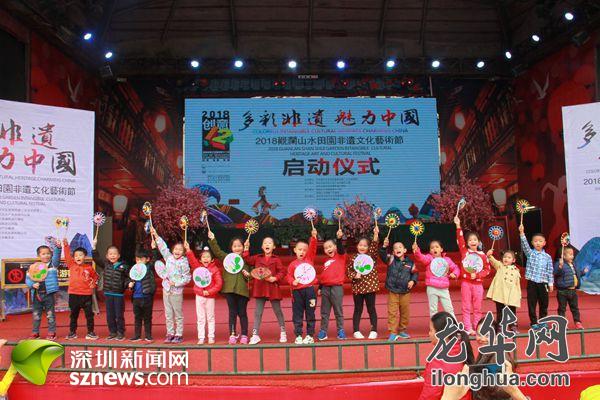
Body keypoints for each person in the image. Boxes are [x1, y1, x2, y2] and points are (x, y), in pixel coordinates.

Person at [208, 230, 251, 344]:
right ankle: (232, 334)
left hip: (242, 291)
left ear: (243, 247)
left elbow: (251, 275)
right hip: (229, 290)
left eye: (239, 246)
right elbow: (217, 251)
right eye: (235, 246)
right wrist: (212, 239)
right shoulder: (227, 257)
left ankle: (244, 334)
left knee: (242, 313)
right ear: (231, 248)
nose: (237, 248)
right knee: (232, 313)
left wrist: (248, 275)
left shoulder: (247, 259)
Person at [418, 311, 473, 400]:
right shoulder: (462, 347)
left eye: (431, 330)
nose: (429, 334)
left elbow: (431, 395)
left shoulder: (437, 362)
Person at [150, 227, 191, 344]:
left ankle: (179, 334)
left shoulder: (184, 262)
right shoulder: (168, 258)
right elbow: (163, 247)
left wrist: (176, 283)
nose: (177, 251)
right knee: (168, 313)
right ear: (172, 250)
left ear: (183, 252)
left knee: (177, 314)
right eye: (176, 249)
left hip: (176, 291)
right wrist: (156, 235)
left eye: (180, 250)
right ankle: (170, 333)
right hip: (166, 289)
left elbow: (187, 278)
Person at [245, 237, 287, 344]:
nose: (267, 244)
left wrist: (275, 278)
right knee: (258, 312)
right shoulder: (257, 258)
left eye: (270, 243)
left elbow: (282, 271)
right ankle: (255, 335)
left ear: (274, 247)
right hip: (260, 287)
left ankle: (283, 331)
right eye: (265, 243)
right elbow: (247, 259)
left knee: (278, 311)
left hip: (272, 287)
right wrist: (246, 248)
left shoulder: (276, 259)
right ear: (262, 246)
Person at [454, 217, 490, 335]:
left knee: (477, 307)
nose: (472, 241)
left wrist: (478, 275)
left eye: (475, 239)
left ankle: (477, 326)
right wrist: (458, 225)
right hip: (466, 283)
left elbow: (487, 270)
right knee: (466, 306)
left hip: (478, 284)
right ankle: (468, 327)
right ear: (467, 242)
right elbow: (460, 239)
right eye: (470, 240)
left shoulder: (483, 255)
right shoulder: (465, 252)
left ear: (479, 242)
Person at [346, 225, 380, 339]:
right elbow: (348, 271)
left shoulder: (371, 256)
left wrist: (375, 235)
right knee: (358, 309)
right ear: (357, 246)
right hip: (358, 287)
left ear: (368, 247)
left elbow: (374, 246)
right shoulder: (353, 258)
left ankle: (374, 330)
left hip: (370, 287)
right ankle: (356, 330)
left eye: (365, 245)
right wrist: (354, 275)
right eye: (360, 245)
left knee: (371, 308)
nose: (362, 247)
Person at [380, 238, 418, 340]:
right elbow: (382, 255)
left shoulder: (410, 262)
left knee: (405, 312)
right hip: (393, 290)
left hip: (405, 291)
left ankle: (402, 330)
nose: (398, 249)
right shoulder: (391, 259)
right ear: (393, 252)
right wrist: (384, 247)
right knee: (392, 312)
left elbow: (415, 273)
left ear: (405, 250)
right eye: (395, 248)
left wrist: (412, 281)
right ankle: (393, 332)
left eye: (400, 247)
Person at [186, 243, 223, 344]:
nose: (206, 258)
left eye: (208, 257)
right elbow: (192, 260)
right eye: (203, 257)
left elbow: (219, 284)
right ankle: (201, 337)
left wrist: (209, 292)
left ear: (212, 259)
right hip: (199, 295)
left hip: (210, 297)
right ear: (200, 259)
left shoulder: (215, 270)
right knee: (200, 318)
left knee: (210, 317)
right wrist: (188, 250)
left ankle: (211, 336)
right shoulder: (198, 267)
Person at [286, 229, 318, 344]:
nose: (302, 252)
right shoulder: (292, 265)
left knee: (310, 313)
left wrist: (313, 237)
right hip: (297, 292)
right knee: (297, 313)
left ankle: (310, 335)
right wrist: (292, 281)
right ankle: (298, 335)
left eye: (304, 250)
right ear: (295, 250)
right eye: (300, 249)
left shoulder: (309, 259)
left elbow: (313, 248)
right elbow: (288, 276)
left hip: (310, 291)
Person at [519, 224, 553, 329]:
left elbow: (550, 270)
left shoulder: (547, 257)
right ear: (532, 243)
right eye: (535, 241)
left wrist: (550, 283)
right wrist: (522, 233)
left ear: (544, 243)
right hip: (532, 282)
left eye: (540, 241)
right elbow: (524, 245)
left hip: (543, 283)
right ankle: (533, 322)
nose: (538, 243)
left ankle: (543, 321)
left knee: (544, 303)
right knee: (532, 303)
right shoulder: (530, 253)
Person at [93, 240, 129, 340]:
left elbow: (128, 278)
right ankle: (112, 332)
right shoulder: (106, 265)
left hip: (119, 295)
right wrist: (94, 247)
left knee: (119, 315)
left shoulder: (124, 267)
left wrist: (128, 284)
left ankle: (121, 332)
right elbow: (96, 259)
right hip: (108, 294)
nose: (112, 256)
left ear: (118, 255)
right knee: (110, 315)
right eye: (110, 254)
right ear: (107, 256)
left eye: (114, 254)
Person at [413, 240, 459, 317]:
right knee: (433, 310)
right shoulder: (429, 258)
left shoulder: (447, 260)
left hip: (444, 288)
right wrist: (417, 250)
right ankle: (433, 325)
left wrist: (454, 274)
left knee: (449, 309)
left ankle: (453, 323)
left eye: (437, 247)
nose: (434, 249)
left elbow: (455, 268)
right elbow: (421, 258)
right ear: (430, 251)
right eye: (432, 248)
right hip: (432, 287)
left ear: (441, 249)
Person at [64, 238, 98, 340]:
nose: (78, 257)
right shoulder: (71, 265)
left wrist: (93, 284)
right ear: (73, 258)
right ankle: (72, 332)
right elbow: (67, 255)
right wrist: (66, 245)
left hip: (86, 295)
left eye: (80, 255)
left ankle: (90, 332)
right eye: (76, 256)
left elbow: (95, 277)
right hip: (74, 294)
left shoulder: (89, 268)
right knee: (73, 315)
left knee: (89, 315)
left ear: (85, 256)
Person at [26, 241, 61, 340]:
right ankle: (35, 332)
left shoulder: (53, 265)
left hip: (49, 294)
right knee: (36, 315)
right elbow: (28, 279)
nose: (46, 256)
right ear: (39, 255)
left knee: (50, 315)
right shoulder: (33, 267)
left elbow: (57, 257)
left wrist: (58, 248)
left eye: (48, 253)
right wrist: (32, 284)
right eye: (43, 254)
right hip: (37, 295)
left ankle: (51, 332)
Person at [316, 229, 347, 341]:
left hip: (336, 287)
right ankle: (323, 331)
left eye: (330, 246)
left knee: (338, 310)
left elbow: (341, 249)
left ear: (335, 247)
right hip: (325, 288)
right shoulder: (326, 261)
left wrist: (339, 239)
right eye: (325, 248)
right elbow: (323, 275)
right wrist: (320, 287)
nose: (328, 249)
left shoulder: (341, 256)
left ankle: (340, 330)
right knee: (324, 311)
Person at [127, 246, 158, 342]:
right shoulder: (134, 270)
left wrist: (154, 249)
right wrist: (130, 285)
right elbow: (129, 281)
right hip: (136, 297)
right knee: (137, 317)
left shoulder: (149, 268)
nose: (139, 261)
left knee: (147, 317)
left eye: (141, 259)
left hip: (147, 297)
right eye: (137, 259)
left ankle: (148, 335)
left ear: (147, 259)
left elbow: (155, 260)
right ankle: (137, 335)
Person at [485, 249, 521, 330]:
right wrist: (489, 255)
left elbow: (517, 284)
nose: (506, 259)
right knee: (500, 310)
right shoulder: (500, 266)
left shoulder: (516, 271)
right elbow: (493, 261)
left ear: (513, 260)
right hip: (500, 293)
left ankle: (513, 325)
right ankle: (499, 326)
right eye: (505, 257)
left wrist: (518, 295)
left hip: (511, 294)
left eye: (509, 257)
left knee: (511, 310)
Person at [554, 245, 588, 329]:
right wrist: (560, 267)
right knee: (562, 308)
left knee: (575, 308)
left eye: (572, 254)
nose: (572, 256)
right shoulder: (559, 263)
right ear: (563, 256)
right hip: (562, 291)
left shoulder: (573, 264)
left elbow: (577, 273)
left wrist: (583, 272)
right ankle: (562, 323)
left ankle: (577, 322)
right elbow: (556, 273)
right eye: (570, 254)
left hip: (573, 291)